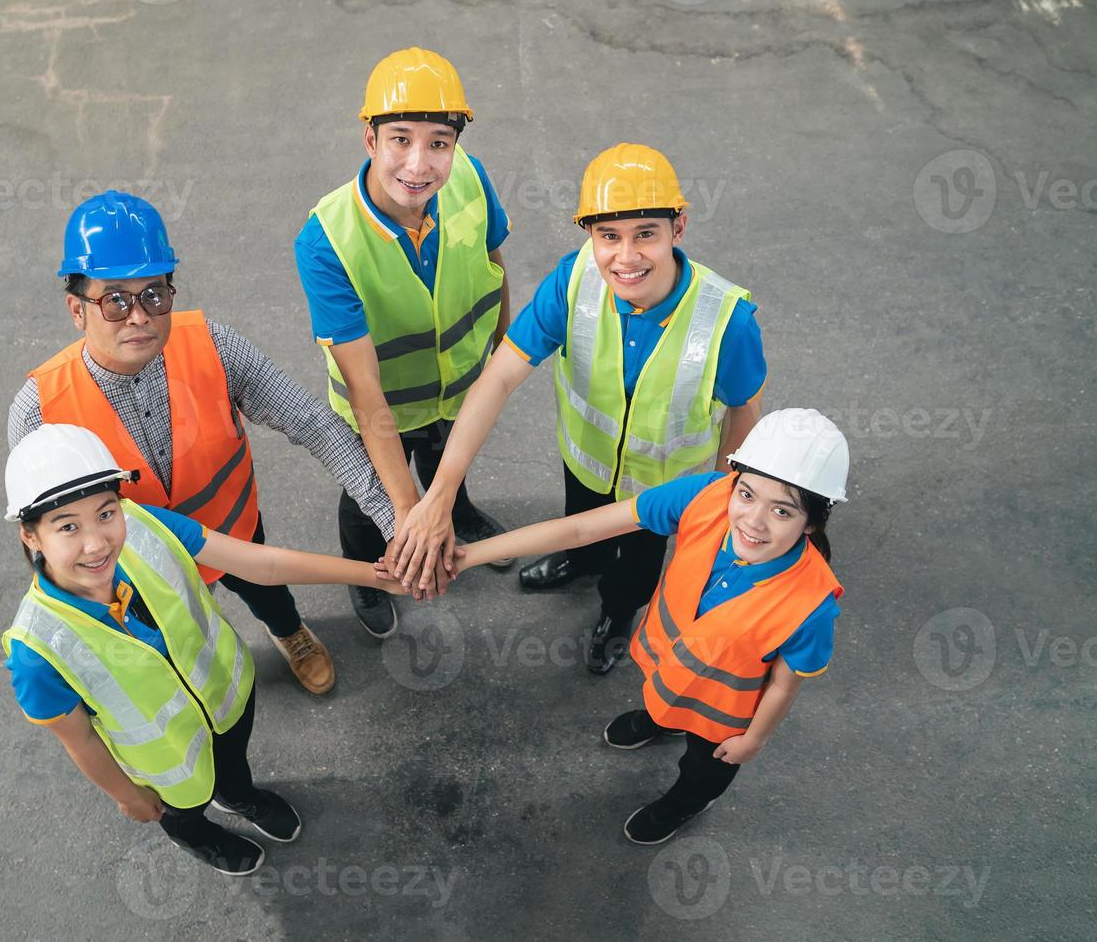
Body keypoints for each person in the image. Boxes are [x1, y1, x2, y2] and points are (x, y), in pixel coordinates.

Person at [387, 143, 767, 673]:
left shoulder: (727, 321)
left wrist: (729, 504)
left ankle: (616, 613)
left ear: (678, 228)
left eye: (646, 235)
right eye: (608, 236)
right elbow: (497, 380)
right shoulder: (573, 281)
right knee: (581, 520)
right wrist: (440, 496)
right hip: (586, 460)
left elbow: (743, 412)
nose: (625, 258)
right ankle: (580, 557)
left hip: (658, 490)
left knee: (635, 569)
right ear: (590, 234)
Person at [10, 190, 398, 695]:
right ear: (76, 310)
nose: (139, 316)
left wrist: (396, 523)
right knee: (174, 648)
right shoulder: (40, 411)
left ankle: (289, 632)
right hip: (129, 571)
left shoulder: (215, 346)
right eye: (115, 299)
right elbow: (40, 533)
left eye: (154, 293)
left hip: (237, 534)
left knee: (269, 593)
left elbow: (315, 425)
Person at [1, 425, 408, 876]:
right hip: (165, 764)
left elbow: (263, 565)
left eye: (105, 513)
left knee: (233, 766)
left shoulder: (146, 525)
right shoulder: (35, 649)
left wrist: (376, 575)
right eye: (68, 527)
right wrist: (127, 796)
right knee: (182, 810)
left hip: (227, 698)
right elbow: (79, 740)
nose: (97, 543)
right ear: (31, 536)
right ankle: (194, 833)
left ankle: (238, 795)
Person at [434, 408, 848, 845]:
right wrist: (468, 556)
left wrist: (754, 741)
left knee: (703, 769)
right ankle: (661, 720)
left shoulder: (811, 605)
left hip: (724, 718)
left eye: (782, 511)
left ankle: (685, 803)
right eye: (746, 494)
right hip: (671, 673)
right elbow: (580, 529)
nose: (753, 520)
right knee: (661, 698)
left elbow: (784, 685)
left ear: (813, 523)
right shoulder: (707, 496)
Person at [294, 46, 514, 638]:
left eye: (438, 142)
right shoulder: (326, 241)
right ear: (369, 139)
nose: (419, 165)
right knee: (366, 504)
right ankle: (368, 575)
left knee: (448, 466)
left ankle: (460, 511)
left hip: (460, 386)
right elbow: (367, 394)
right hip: (382, 410)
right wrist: (409, 518)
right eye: (400, 139)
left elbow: (494, 260)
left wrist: (501, 355)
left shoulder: (469, 177)